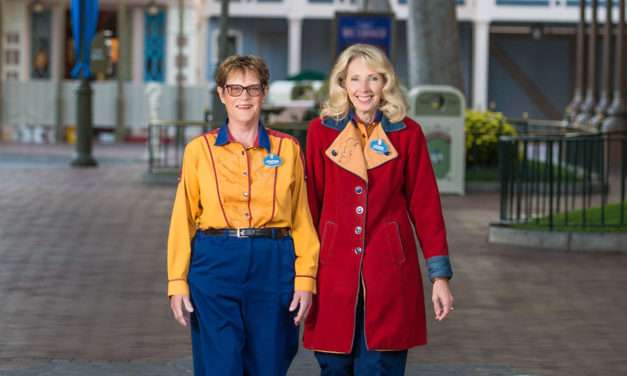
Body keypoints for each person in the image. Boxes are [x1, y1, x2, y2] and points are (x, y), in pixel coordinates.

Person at [303, 44, 454, 375]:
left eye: (373, 78)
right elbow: (308, 209)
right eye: (354, 79)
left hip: (390, 273)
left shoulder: (408, 134)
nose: (364, 89)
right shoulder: (320, 132)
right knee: (333, 363)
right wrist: (301, 274)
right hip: (332, 273)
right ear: (342, 83)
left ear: (386, 82)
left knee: (382, 363)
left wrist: (439, 276)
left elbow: (427, 207)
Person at [167, 55, 319, 376]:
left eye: (252, 88)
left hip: (274, 262)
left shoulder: (288, 149)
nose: (244, 97)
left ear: (264, 93)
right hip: (215, 262)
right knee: (220, 363)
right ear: (221, 94)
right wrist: (177, 281)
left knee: (270, 361)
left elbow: (301, 219)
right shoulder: (199, 150)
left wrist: (306, 278)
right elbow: (183, 219)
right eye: (235, 89)